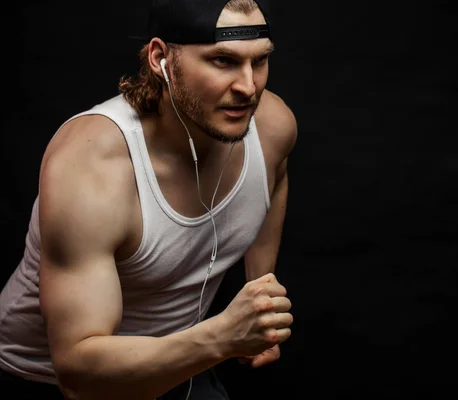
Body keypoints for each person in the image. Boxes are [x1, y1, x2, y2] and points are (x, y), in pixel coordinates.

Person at [0, 0, 297, 398]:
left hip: (184, 361)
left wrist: (260, 296)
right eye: (223, 61)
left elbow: (273, 183)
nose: (248, 88)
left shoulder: (272, 127)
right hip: (50, 379)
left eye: (259, 62)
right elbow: (77, 372)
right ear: (160, 59)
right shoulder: (94, 165)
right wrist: (225, 336)